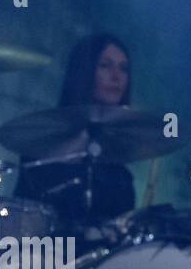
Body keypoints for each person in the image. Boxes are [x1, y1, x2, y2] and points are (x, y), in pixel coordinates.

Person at [15, 32, 136, 228]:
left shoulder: (118, 171)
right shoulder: (43, 143)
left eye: (123, 69)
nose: (117, 77)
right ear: (84, 72)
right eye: (105, 66)